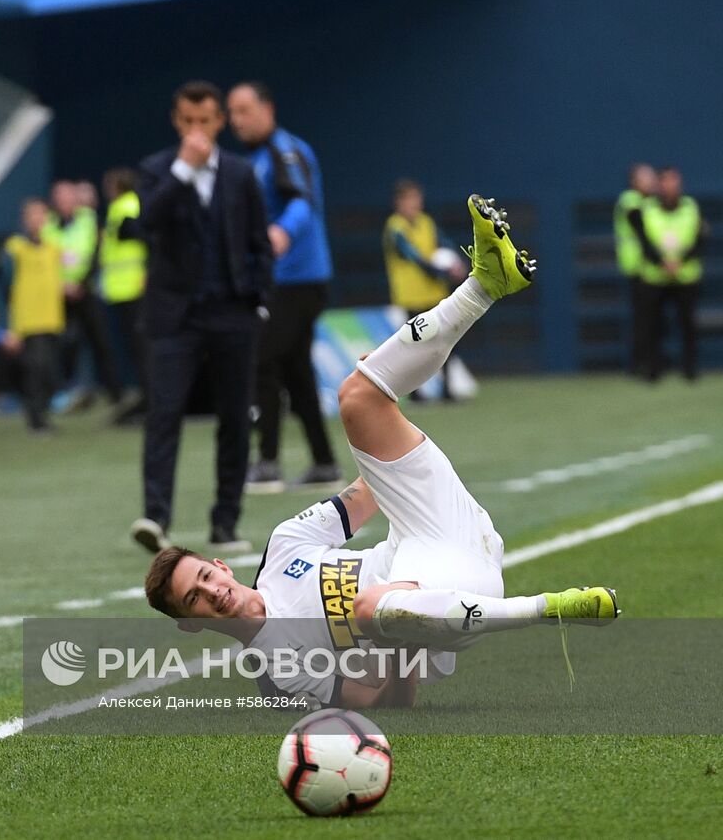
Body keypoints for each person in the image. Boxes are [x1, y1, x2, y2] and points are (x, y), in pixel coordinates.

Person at [144, 196, 619, 708]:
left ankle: (486, 284)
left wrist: (385, 394)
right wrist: (400, 642)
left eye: (206, 576)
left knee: (357, 396)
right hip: (450, 601)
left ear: (220, 564)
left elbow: (369, 491)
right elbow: (386, 703)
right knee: (372, 609)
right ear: (190, 624)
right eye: (195, 597)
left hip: (434, 528)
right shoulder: (277, 678)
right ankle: (548, 608)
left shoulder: (284, 548)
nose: (213, 590)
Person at [129, 81, 272, 555]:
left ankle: (225, 523)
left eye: (205, 120)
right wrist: (182, 171)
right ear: (177, 121)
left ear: (219, 121)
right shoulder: (154, 171)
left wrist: (259, 297)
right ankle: (156, 517)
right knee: (164, 414)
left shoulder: (240, 172)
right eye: (188, 121)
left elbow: (258, 241)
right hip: (175, 317)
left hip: (233, 312)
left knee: (234, 418)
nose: (197, 130)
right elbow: (146, 223)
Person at [227, 82, 338, 493]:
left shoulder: (284, 151)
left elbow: (301, 203)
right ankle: (324, 462)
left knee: (262, 360)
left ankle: (268, 461)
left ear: (266, 108)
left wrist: (281, 233)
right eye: (232, 113)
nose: (236, 120)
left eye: (244, 110)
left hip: (297, 279)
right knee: (295, 369)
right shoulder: (253, 158)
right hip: (287, 279)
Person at [382, 179, 467, 401]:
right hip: (411, 296)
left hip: (435, 295)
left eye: (417, 198)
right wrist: (440, 270)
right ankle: (415, 393)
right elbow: (412, 255)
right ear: (398, 202)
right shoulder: (395, 227)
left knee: (446, 341)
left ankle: (447, 389)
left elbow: (444, 244)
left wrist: (456, 262)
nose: (415, 203)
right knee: (415, 346)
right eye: (409, 199)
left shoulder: (426, 222)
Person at [45, 180, 122, 410]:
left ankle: (115, 394)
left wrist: (80, 283)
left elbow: (97, 254)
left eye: (67, 196)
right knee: (61, 345)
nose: (64, 201)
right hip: (57, 293)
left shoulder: (89, 221)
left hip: (85, 291)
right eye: (59, 197)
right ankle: (62, 394)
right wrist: (60, 284)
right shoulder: (49, 224)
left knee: (101, 342)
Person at [635, 167, 707, 382]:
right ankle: (653, 369)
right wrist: (661, 262)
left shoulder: (691, 208)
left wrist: (680, 261)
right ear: (660, 184)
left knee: (688, 324)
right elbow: (644, 241)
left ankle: (689, 369)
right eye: (666, 181)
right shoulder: (647, 209)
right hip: (655, 277)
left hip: (686, 276)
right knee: (653, 325)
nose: (670, 186)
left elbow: (699, 239)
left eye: (674, 181)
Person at [4, 198, 65, 432]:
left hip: (52, 317)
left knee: (48, 369)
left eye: (42, 215)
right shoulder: (15, 248)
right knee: (35, 370)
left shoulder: (53, 246)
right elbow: (6, 283)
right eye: (33, 215)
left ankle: (41, 415)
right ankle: (35, 418)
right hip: (28, 320)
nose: (38, 220)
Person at [97, 167, 148, 424]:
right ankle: (146, 397)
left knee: (142, 347)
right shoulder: (122, 208)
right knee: (136, 348)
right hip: (122, 289)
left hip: (132, 289)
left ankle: (150, 400)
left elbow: (146, 239)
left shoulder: (127, 208)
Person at [613, 164, 658, 376]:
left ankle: (649, 361)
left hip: (649, 267)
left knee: (650, 317)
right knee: (642, 317)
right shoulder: (630, 201)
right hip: (637, 265)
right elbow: (642, 230)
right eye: (646, 177)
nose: (652, 181)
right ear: (634, 181)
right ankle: (639, 364)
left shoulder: (648, 202)